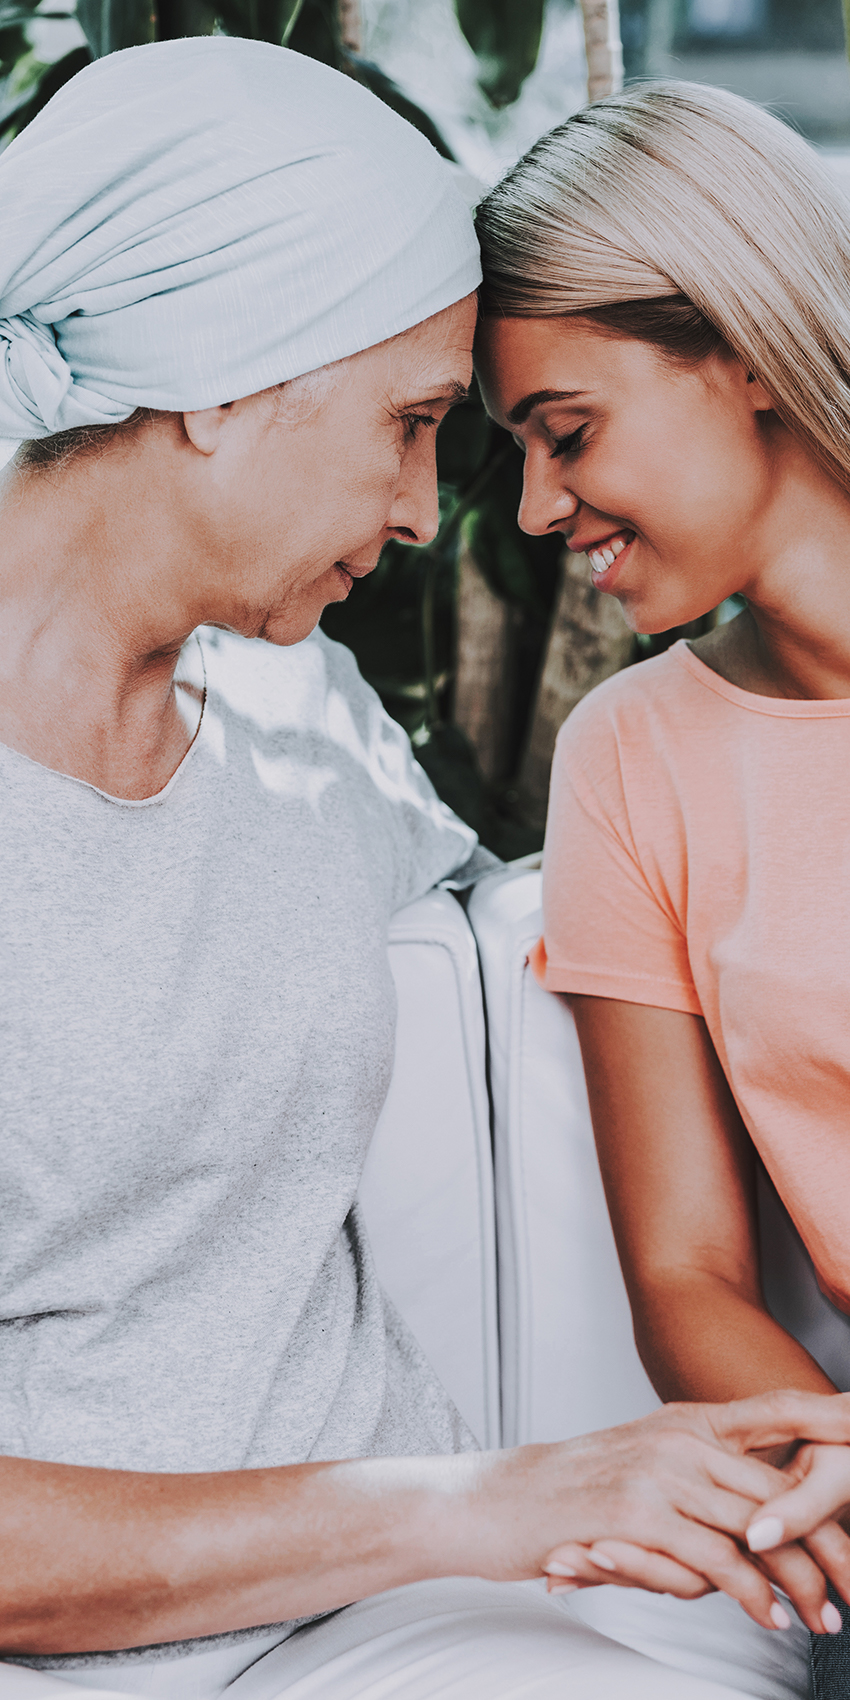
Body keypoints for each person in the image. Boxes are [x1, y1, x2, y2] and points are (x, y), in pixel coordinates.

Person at [1, 43, 849, 1700]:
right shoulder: (634, 749)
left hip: (406, 1623)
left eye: (525, 432)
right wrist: (482, 1503)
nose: (437, 516)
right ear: (221, 381)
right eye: (415, 427)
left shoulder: (295, 723)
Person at [473, 76, 850, 1700]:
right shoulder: (634, 755)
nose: (538, 510)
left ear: (742, 347)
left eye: (566, 434)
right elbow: (683, 1273)